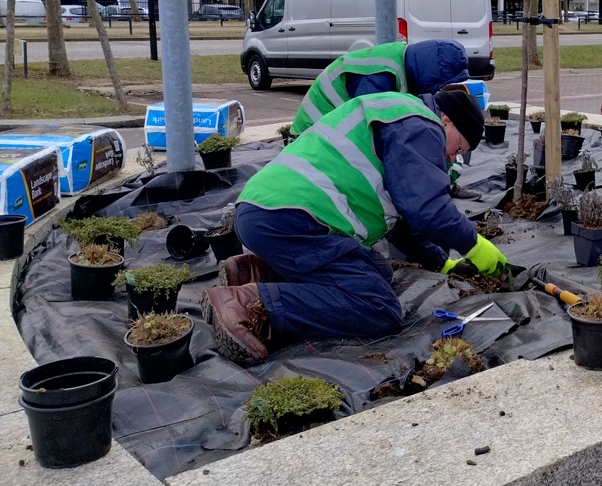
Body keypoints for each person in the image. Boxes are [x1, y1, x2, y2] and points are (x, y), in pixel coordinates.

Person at [200, 88, 509, 366]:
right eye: (458, 147)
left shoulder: (398, 114)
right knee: (378, 307)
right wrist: (475, 245)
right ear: (446, 121)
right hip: (293, 221)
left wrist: (442, 262)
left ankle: (257, 273)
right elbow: (424, 208)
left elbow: (403, 221)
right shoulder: (422, 126)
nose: (452, 157)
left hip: (265, 213)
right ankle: (250, 305)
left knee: (378, 270)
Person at [290, 40, 469, 136]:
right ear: (432, 76)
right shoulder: (380, 77)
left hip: (327, 129)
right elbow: (377, 132)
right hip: (311, 136)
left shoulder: (405, 61)